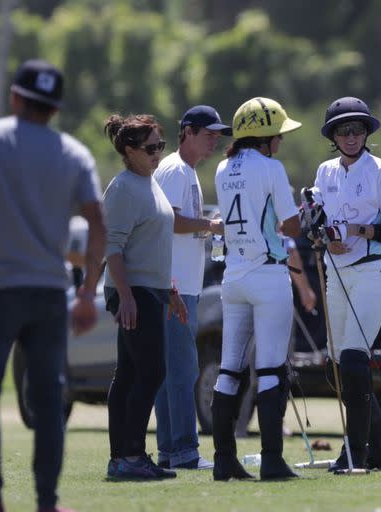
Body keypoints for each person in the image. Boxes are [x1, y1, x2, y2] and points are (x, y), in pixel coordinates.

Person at [0, 59, 105, 512]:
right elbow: (97, 219)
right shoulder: (75, 153)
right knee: (48, 397)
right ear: (56, 108)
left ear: (16, 97)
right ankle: (47, 502)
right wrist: (86, 291)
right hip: (48, 294)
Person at [310, 96, 381, 472]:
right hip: (336, 273)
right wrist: (324, 235)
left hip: (370, 272)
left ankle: (354, 454)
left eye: (358, 129)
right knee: (343, 366)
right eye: (343, 130)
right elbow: (317, 218)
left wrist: (360, 230)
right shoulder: (324, 172)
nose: (351, 136)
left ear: (366, 133)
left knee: (353, 359)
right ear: (333, 135)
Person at [211, 97, 302, 481]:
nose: (280, 140)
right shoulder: (271, 168)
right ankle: (271, 460)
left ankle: (223, 460)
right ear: (264, 136)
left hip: (233, 278)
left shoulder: (222, 167)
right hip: (267, 277)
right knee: (270, 370)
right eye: (277, 134)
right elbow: (292, 226)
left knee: (229, 370)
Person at [102, 113, 188, 480]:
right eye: (150, 148)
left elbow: (151, 246)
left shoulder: (150, 183)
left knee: (130, 374)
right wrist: (126, 296)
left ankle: (122, 457)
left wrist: (170, 291)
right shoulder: (123, 188)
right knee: (151, 372)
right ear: (129, 150)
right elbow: (113, 246)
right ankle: (131, 456)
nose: (157, 154)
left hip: (149, 289)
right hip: (131, 290)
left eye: (160, 147)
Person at [152, 105, 230, 471]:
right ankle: (183, 451)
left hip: (181, 285)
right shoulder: (175, 170)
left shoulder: (187, 172)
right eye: (208, 133)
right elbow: (168, 222)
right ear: (187, 132)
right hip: (174, 286)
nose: (215, 139)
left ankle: (171, 451)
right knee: (182, 370)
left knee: (174, 371)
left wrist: (204, 226)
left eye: (217, 134)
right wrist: (211, 226)